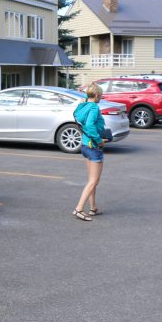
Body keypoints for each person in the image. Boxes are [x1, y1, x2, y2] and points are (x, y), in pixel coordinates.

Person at [72, 83, 109, 221]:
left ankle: (93, 208)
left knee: (92, 181)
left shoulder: (83, 106)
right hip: (93, 146)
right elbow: (89, 125)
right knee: (94, 181)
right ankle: (79, 209)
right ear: (98, 95)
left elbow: (82, 122)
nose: (101, 97)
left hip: (85, 145)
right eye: (101, 95)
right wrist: (99, 140)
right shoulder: (94, 107)